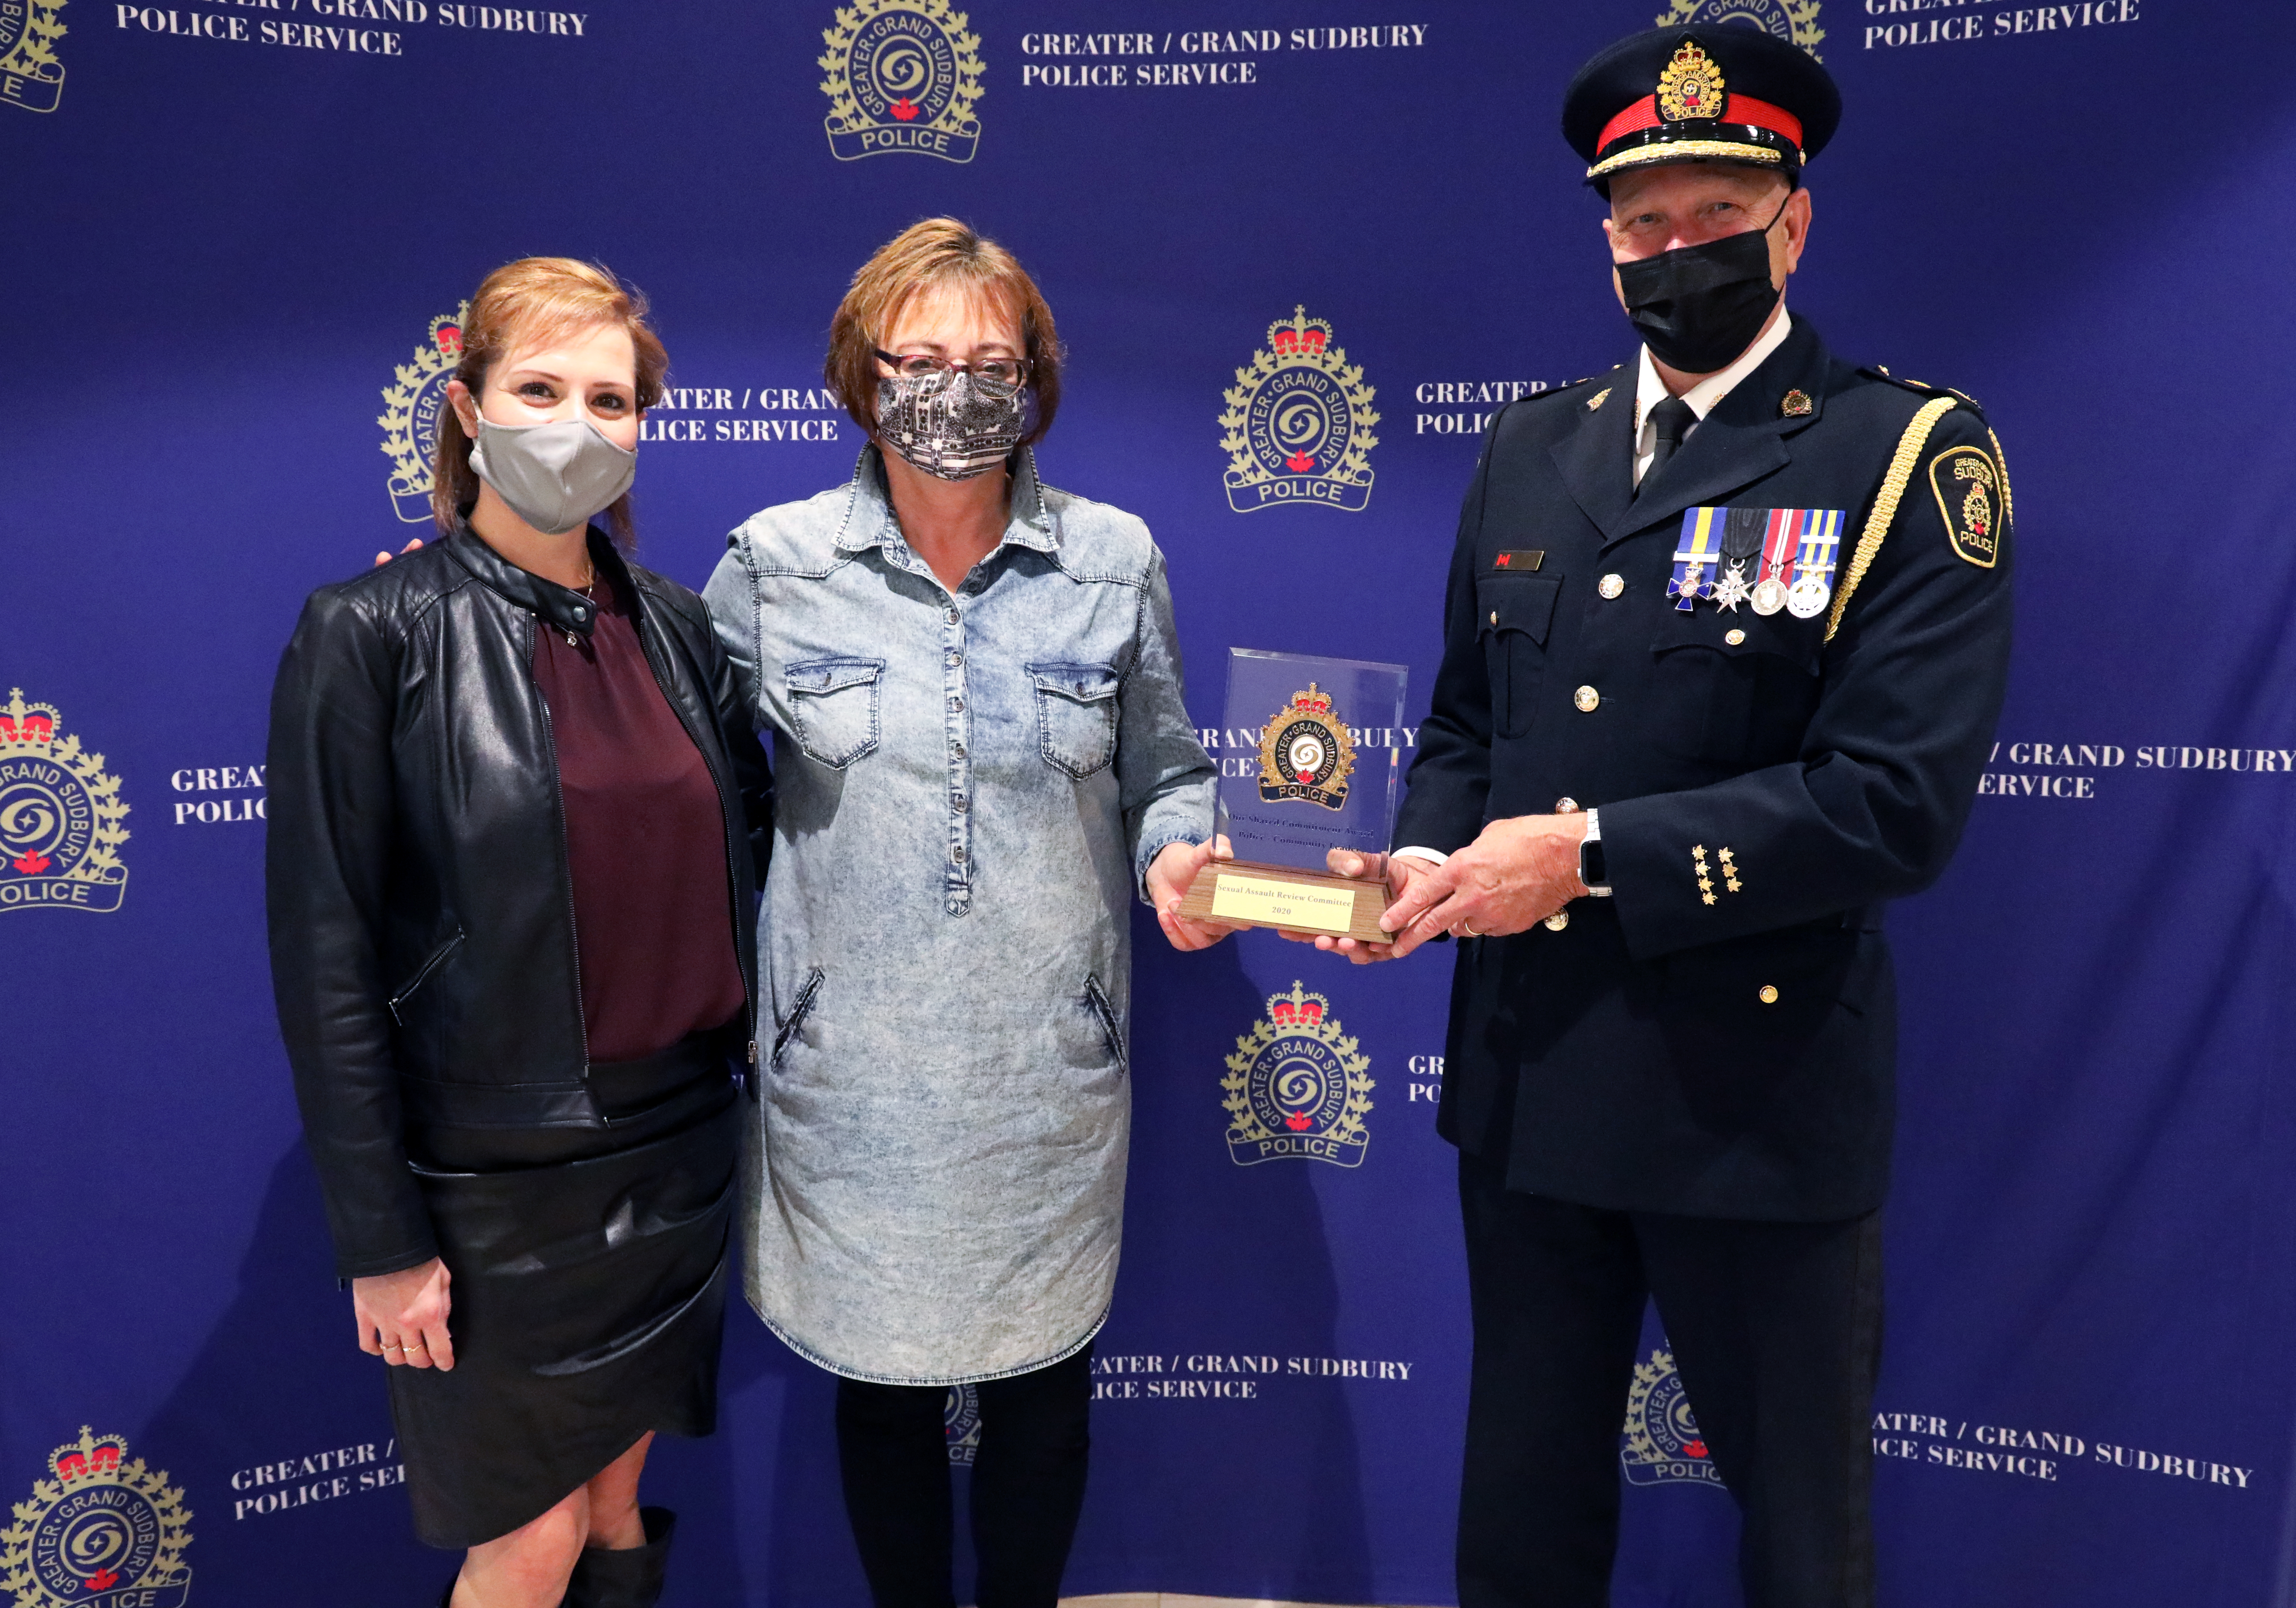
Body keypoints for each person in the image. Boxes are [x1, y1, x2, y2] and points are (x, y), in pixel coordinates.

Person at [1303, 25, 2015, 1608]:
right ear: (1604, 232)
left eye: (1718, 215)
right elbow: (1471, 723)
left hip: (1754, 1095)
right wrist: (1420, 857)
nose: (1677, 253)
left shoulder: (1901, 454)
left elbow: (1894, 805)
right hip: (1533, 1083)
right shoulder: (1528, 448)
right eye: (1644, 223)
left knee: (1801, 1542)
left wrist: (1580, 858)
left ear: (1795, 217)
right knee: (1524, 1526)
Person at [702, 217, 1232, 1608]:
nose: (955, 388)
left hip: (1043, 1074)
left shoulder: (1111, 557)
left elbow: (1167, 771)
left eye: (990, 360)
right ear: (860, 372)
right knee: (879, 1394)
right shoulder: (775, 560)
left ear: (1037, 377)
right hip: (851, 1072)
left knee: (1045, 1399)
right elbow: (670, 773)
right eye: (921, 357)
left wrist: (1183, 857)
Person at [266, 257, 771, 1608]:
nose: (575, 424)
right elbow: (326, 955)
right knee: (530, 1538)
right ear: (468, 408)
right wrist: (380, 1237)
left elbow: (762, 844)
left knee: (615, 1507)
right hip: (495, 1189)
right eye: (539, 388)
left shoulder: (680, 633)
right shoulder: (370, 632)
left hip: (678, 1154)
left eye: (609, 398)